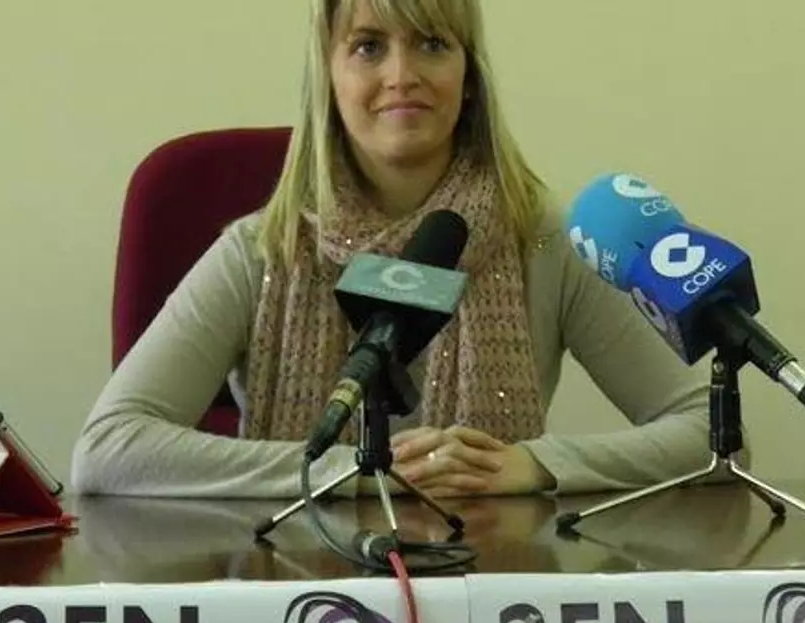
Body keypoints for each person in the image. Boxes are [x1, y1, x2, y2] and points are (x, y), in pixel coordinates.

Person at [71, 0, 716, 500]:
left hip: (495, 582)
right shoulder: (264, 249)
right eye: (368, 47)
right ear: (329, 76)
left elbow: (712, 432)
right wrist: (352, 471)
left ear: (469, 77)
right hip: (295, 583)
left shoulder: (538, 236)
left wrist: (538, 465)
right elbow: (108, 449)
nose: (401, 76)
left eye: (432, 44)